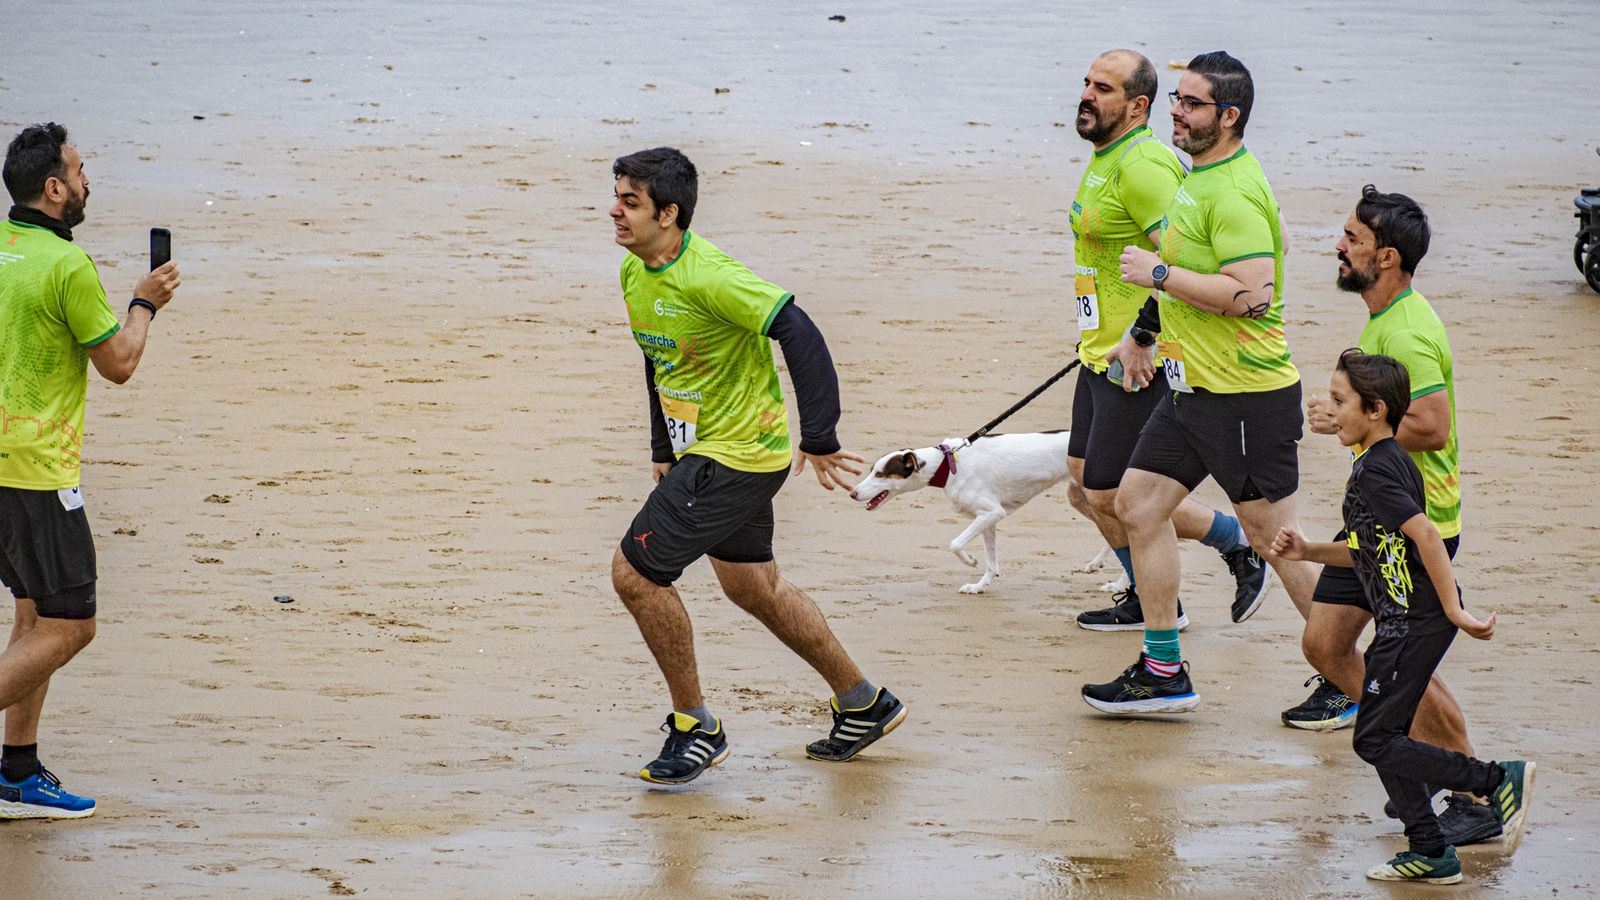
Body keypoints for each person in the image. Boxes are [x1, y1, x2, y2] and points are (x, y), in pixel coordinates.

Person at [607, 147, 905, 785]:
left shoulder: (711, 275)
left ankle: (696, 727)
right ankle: (864, 702)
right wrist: (663, 447)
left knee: (635, 575)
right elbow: (659, 358)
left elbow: (799, 330)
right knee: (753, 588)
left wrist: (820, 435)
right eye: (617, 198)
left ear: (670, 212)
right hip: (707, 452)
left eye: (630, 202)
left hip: (737, 456)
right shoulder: (636, 272)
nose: (615, 212)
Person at [1080, 50, 1321, 714]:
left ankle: (1344, 671)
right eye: (1176, 101)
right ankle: (1164, 670)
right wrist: (1145, 331)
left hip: (1246, 396)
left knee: (1278, 544)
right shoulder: (1195, 178)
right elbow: (1194, 268)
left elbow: (1253, 298)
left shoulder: (1234, 191)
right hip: (1192, 391)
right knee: (1137, 505)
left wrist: (1156, 276)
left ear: (1230, 116)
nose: (1176, 113)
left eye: (1191, 104)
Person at [1282, 186, 1500, 847]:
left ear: (1388, 256)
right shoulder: (1385, 320)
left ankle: (1472, 790)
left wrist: (1350, 422)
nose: (1338, 246)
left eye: (1351, 238)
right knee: (1325, 646)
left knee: (1399, 673)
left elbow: (1432, 426)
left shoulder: (1406, 330)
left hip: (1413, 524)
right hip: (1377, 523)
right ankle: (1423, 761)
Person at [1272, 350, 1533, 884]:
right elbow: (1370, 547)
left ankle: (1492, 778)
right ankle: (1430, 850)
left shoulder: (1377, 471)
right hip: (1406, 617)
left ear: (1376, 409)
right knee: (1383, 732)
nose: (1330, 411)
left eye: (1341, 402)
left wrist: (1455, 610)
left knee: (1373, 738)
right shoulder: (1385, 461)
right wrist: (1308, 551)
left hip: (1413, 619)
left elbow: (1427, 536)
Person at [0, 123, 180, 818]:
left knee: (33, 616)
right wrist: (144, 304)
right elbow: (120, 364)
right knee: (72, 626)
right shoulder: (66, 266)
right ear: (53, 188)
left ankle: (16, 771)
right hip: (37, 473)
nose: (85, 181)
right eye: (78, 171)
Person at [1065, 49, 1271, 632]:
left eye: (1102, 88)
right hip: (1100, 350)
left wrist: (1144, 334)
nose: (1086, 94)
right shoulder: (1108, 157)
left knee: (1113, 494)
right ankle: (1148, 592)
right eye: (1086, 82)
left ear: (1138, 106)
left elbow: (1178, 260)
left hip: (1139, 358)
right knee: (1083, 487)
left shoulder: (1145, 167)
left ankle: (1230, 549)